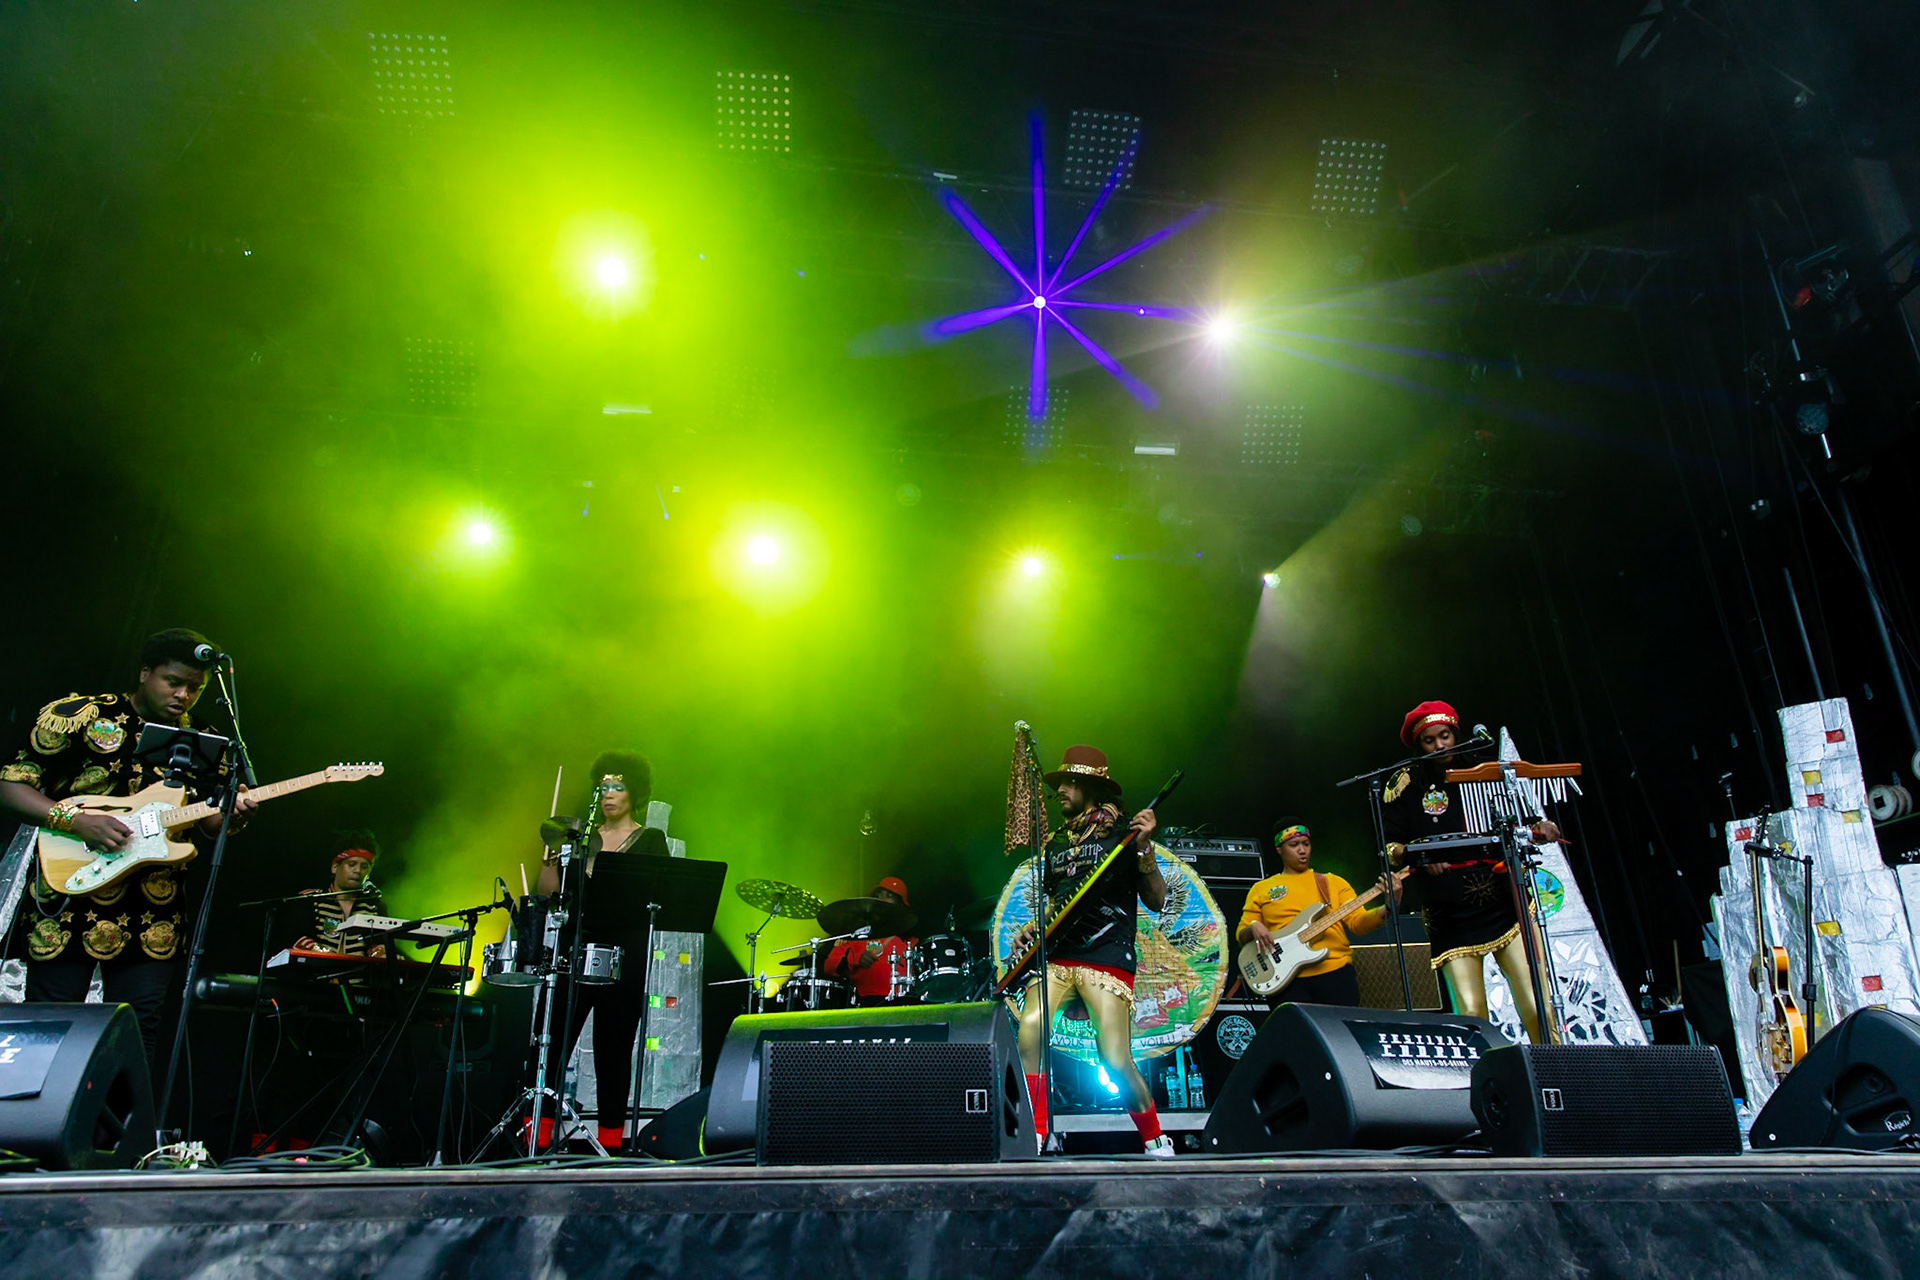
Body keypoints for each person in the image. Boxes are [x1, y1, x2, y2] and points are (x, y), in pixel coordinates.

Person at [0, 628, 256, 1069]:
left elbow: (209, 822)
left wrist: (233, 815)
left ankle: (118, 1137)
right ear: (144, 673)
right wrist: (77, 821)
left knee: (137, 1031)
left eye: (194, 688)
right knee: (49, 1024)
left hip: (153, 904)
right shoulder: (82, 715)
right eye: (172, 682)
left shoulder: (208, 743)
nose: (183, 695)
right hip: (70, 892)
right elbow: (11, 786)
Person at [1008, 745, 1174, 1157]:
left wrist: (1146, 847)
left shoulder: (1126, 836)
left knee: (1114, 1060)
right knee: (1030, 1028)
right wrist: (1035, 926)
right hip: (1059, 957)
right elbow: (1056, 903)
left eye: (1068, 783)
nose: (1059, 790)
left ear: (1090, 788)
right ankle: (1039, 1134)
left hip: (1106, 956)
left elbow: (1157, 900)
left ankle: (1155, 1138)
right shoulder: (1054, 844)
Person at [1381, 700, 1559, 1044]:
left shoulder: (1483, 769)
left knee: (1538, 1007)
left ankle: (1558, 1079)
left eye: (1445, 736)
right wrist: (1418, 855)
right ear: (1418, 746)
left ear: (1455, 733)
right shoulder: (1404, 784)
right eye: (1429, 741)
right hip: (1449, 912)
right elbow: (1390, 848)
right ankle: (1493, 1091)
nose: (1439, 746)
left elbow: (1520, 820)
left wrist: (1541, 827)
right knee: (1473, 1017)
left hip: (1501, 900)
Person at [535, 749, 669, 1152]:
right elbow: (548, 896)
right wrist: (549, 857)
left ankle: (611, 1145)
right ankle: (536, 1141)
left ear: (635, 792)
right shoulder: (576, 840)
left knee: (614, 1054)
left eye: (618, 786)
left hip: (623, 956)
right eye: (603, 786)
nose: (608, 793)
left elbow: (659, 898)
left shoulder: (650, 840)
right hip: (572, 950)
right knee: (551, 1044)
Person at [1237, 817, 1401, 1009]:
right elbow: (1241, 934)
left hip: (1334, 972)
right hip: (1285, 979)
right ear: (1279, 849)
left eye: (1306, 844)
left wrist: (1390, 906)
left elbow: (1358, 923)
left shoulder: (1333, 883)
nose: (1302, 850)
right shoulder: (1262, 888)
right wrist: (1253, 926)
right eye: (1294, 845)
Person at [292, 832, 388, 958]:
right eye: (351, 864)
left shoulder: (374, 907)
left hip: (358, 977)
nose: (358, 871)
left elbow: (379, 944)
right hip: (317, 974)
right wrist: (331, 958)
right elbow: (298, 939)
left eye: (364, 867)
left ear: (368, 874)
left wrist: (381, 953)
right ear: (335, 867)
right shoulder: (311, 900)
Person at [822, 876, 917, 1002]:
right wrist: (856, 960)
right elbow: (828, 967)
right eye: (878, 896)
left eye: (889, 896)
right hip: (863, 1007)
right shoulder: (855, 937)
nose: (881, 899)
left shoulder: (911, 944)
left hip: (902, 1007)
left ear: (900, 905)